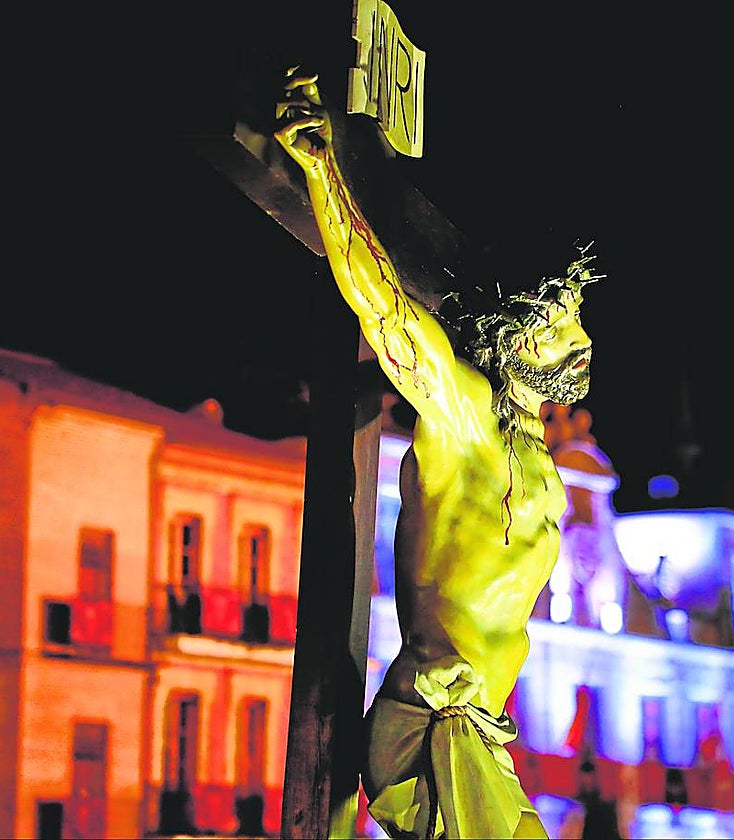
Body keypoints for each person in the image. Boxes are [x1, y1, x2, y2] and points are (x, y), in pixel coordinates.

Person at [275, 66, 602, 839]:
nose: (581, 340)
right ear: (518, 337)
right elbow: (385, 310)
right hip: (430, 726)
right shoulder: (465, 422)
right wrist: (324, 169)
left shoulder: (545, 467)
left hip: (484, 733)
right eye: (562, 323)